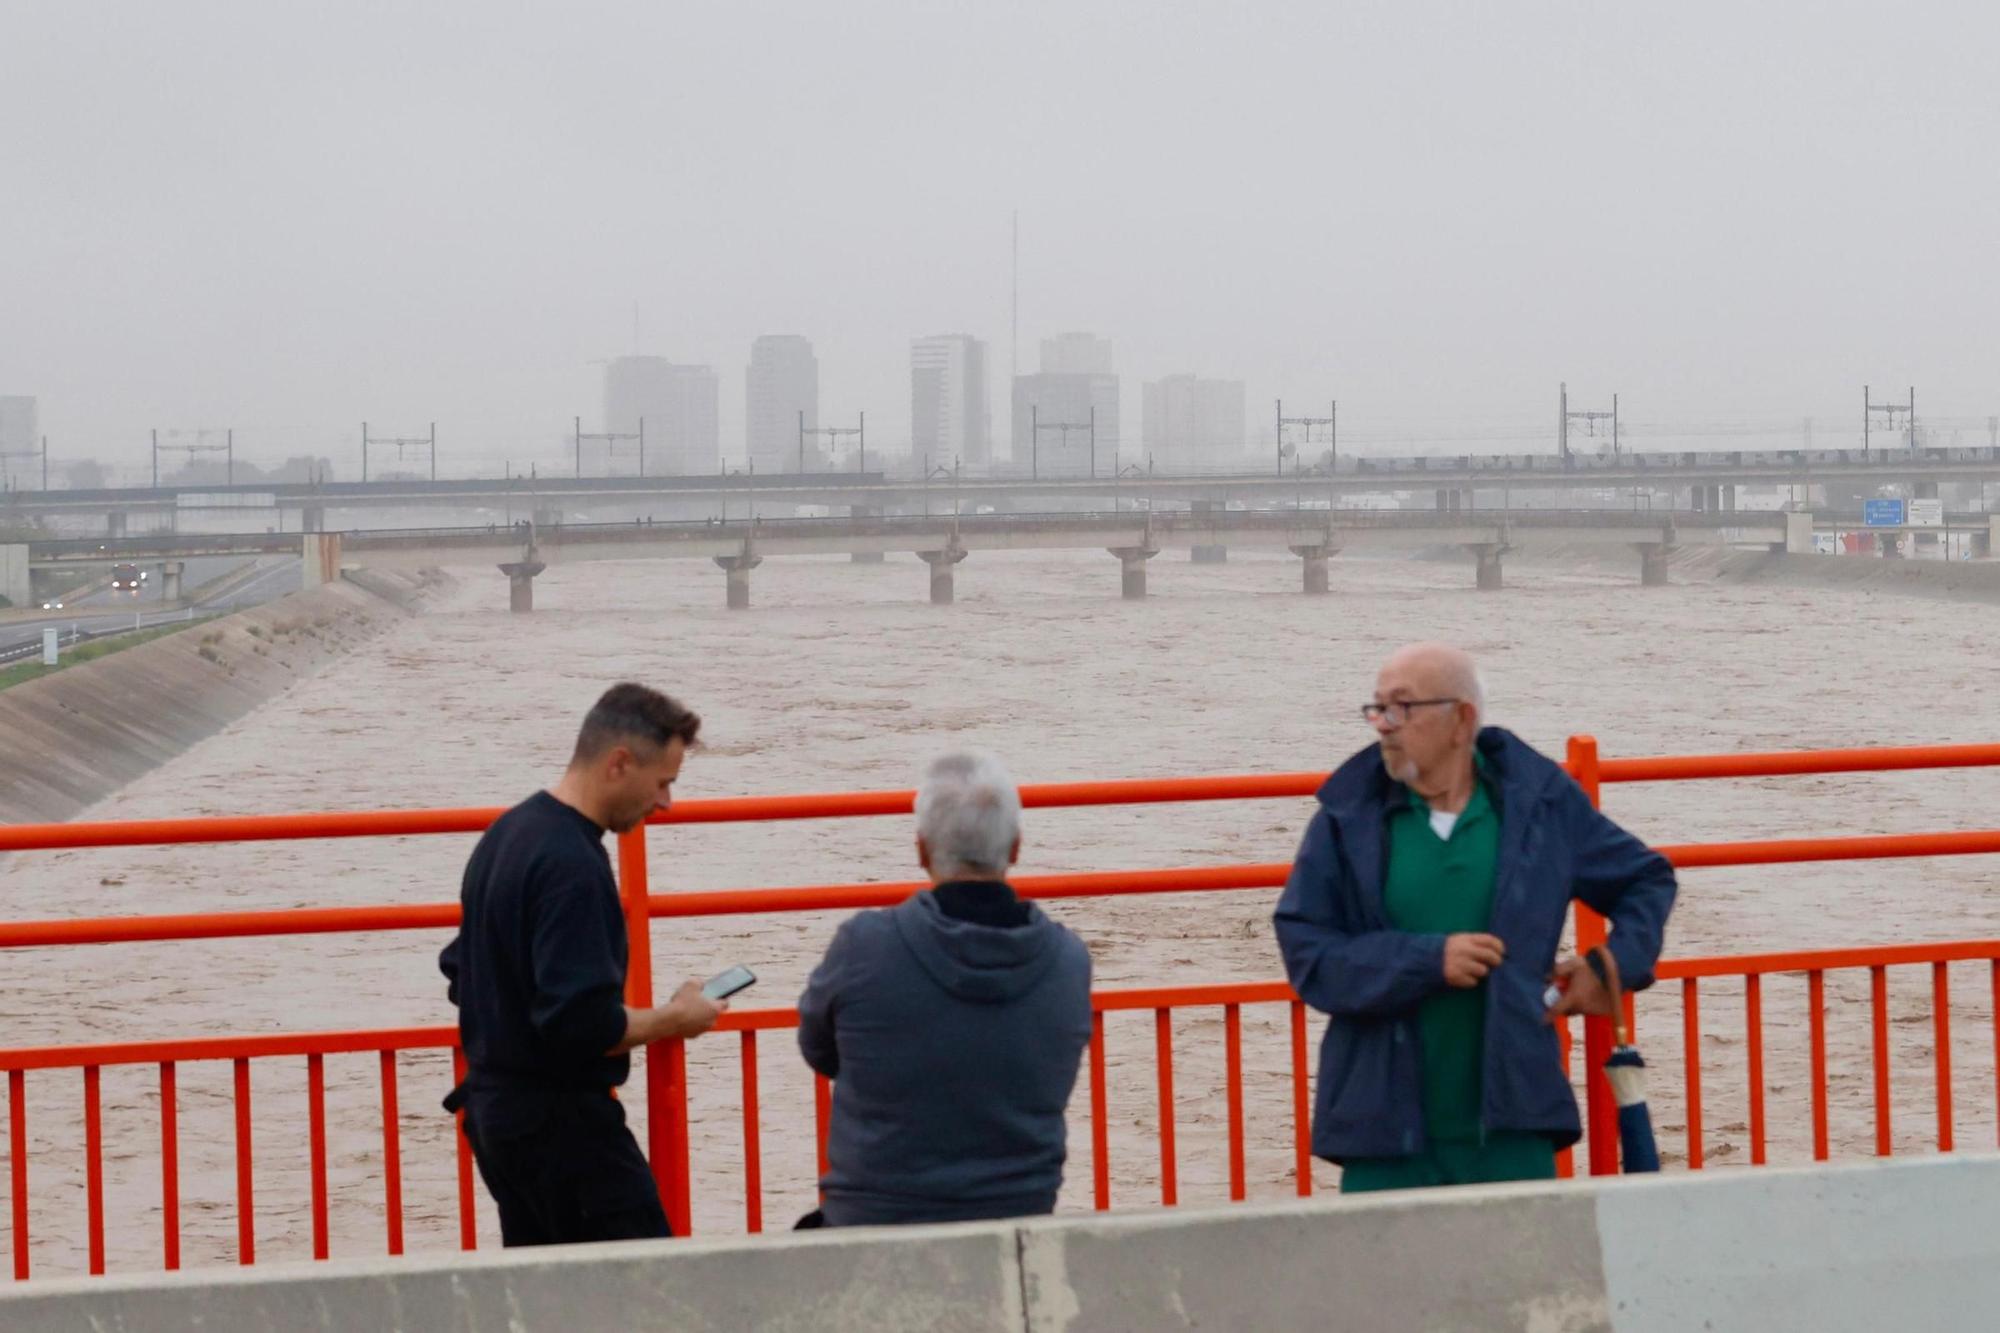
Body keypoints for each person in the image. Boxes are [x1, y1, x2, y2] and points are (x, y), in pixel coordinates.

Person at [1272, 643, 1676, 1192]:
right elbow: (1308, 952)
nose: (1383, 725)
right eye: (1378, 708)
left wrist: (1613, 966)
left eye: (1402, 707)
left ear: (1462, 720)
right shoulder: (1348, 816)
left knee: (1525, 1253)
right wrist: (1427, 961)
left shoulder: (1539, 805)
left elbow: (1646, 879)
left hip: (1513, 1124)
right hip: (1382, 1133)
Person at [440, 682, 727, 1245]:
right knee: (648, 1284)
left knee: (549, 1288)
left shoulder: (509, 832)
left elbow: (460, 968)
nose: (666, 802)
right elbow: (581, 1024)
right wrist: (676, 1017)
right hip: (563, 1130)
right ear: (619, 763)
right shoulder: (572, 865)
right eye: (663, 782)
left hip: (498, 1119)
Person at [796, 750, 1092, 1226]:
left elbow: (819, 1050)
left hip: (870, 1225)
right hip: (1017, 1222)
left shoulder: (863, 946)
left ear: (921, 850)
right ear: (1016, 848)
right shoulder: (1069, 961)